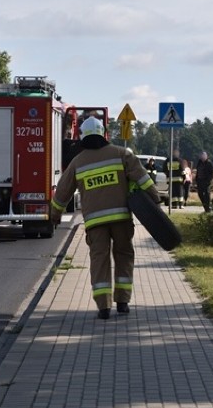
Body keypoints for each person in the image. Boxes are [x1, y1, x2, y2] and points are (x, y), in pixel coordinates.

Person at [51, 117, 160, 320]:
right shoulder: (122, 154)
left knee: (99, 260)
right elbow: (143, 179)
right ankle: (123, 302)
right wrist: (156, 203)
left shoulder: (78, 161)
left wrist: (55, 215)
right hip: (121, 219)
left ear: (82, 136)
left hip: (95, 223)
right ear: (104, 134)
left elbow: (62, 193)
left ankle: (103, 307)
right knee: (124, 256)